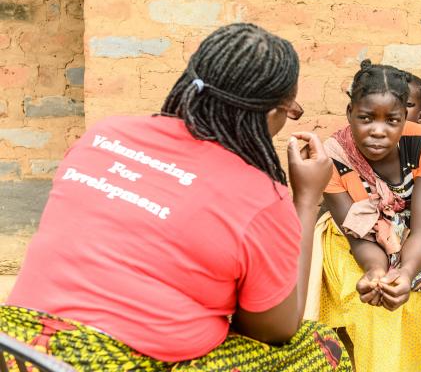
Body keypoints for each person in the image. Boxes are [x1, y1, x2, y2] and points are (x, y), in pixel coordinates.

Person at [0, 23, 352, 371]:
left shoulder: (103, 135)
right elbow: (274, 330)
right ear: (274, 112)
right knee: (319, 348)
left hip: (19, 347)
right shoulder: (260, 197)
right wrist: (306, 199)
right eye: (291, 111)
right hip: (111, 363)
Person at [315, 59, 421, 372]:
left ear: (404, 118)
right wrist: (376, 272)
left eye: (392, 121)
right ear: (350, 112)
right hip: (347, 240)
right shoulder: (334, 155)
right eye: (366, 118)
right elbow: (358, 236)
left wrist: (405, 273)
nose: (379, 131)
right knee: (373, 303)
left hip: (406, 236)